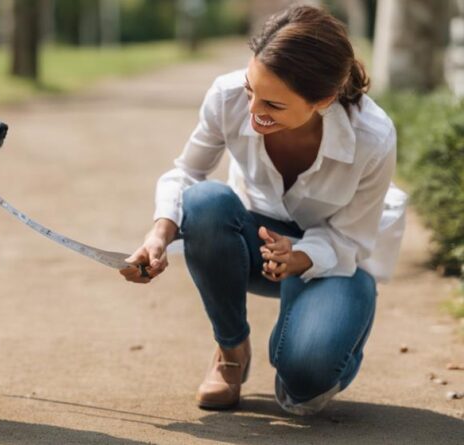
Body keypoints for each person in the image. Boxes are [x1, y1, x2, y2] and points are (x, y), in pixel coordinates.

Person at [120, 5, 407, 415]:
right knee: (204, 202)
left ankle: (338, 324)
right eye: (251, 90)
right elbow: (187, 174)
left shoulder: (372, 138)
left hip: (336, 261)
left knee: (303, 384)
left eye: (272, 104)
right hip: (254, 244)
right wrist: (158, 236)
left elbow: (351, 238)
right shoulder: (228, 95)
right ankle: (231, 350)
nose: (253, 112)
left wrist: (300, 258)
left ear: (322, 99)